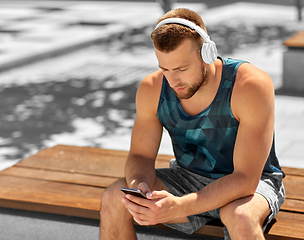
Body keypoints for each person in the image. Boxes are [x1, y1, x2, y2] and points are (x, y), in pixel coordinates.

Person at [100, 8, 285, 240]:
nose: (172, 80)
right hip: (188, 177)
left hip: (252, 184)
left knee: (240, 217)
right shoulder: (153, 88)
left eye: (181, 69)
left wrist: (180, 206)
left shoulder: (249, 85)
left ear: (207, 53)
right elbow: (140, 156)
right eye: (164, 69)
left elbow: (245, 179)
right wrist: (140, 186)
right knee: (115, 198)